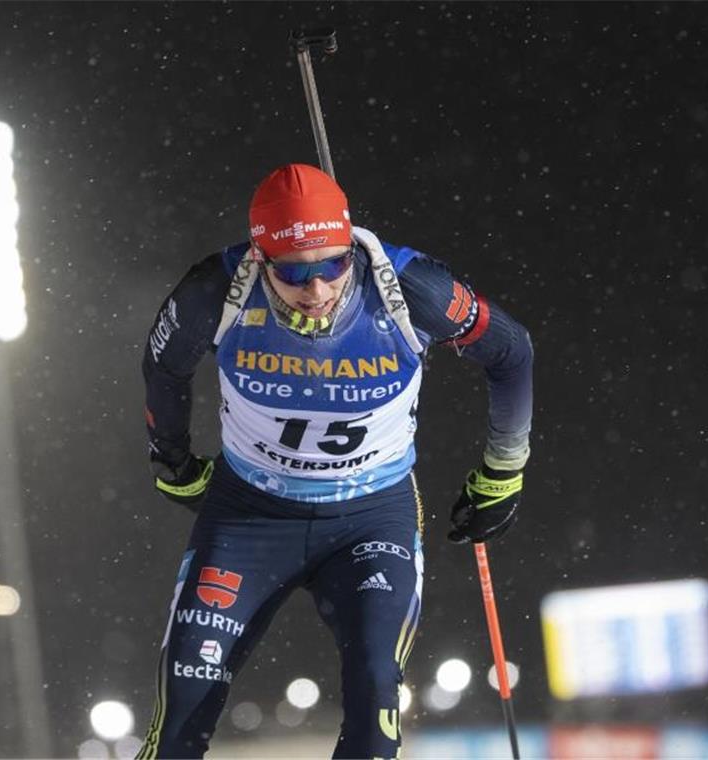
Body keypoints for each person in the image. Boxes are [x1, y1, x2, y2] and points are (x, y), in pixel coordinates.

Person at [136, 163, 533, 759]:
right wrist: (174, 463)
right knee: (181, 713)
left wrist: (503, 470)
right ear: (261, 256)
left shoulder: (409, 288)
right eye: (295, 272)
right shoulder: (213, 292)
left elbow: (510, 350)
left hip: (370, 519)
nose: (317, 290)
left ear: (350, 246)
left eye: (332, 265)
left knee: (376, 693)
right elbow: (163, 365)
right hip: (250, 518)